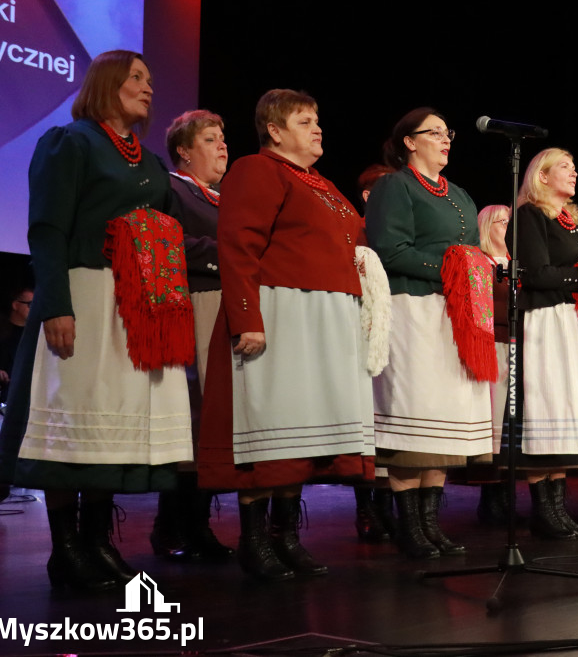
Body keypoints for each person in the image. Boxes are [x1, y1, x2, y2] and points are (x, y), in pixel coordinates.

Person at [0, 50, 193, 592]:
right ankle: (66, 549)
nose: (149, 87)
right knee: (72, 418)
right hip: (83, 292)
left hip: (132, 302)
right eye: (136, 78)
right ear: (107, 83)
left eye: (151, 78)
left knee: (107, 421)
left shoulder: (149, 163)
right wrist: (55, 304)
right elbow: (48, 230)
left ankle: (99, 542)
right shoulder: (70, 143)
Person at [197, 89, 375, 580]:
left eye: (317, 120)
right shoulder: (258, 170)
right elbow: (238, 247)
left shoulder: (321, 183)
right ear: (274, 130)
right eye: (304, 120)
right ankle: (255, 541)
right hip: (280, 312)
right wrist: (247, 317)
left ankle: (286, 536)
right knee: (268, 428)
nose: (317, 128)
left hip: (322, 320)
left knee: (301, 431)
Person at [365, 107, 492, 558]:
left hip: (451, 313)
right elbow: (389, 249)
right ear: (409, 142)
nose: (445, 139)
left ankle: (431, 523)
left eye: (447, 132)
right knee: (413, 416)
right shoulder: (393, 186)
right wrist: (451, 269)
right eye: (433, 132)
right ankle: (408, 525)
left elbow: (471, 253)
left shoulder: (458, 193)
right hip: (411, 308)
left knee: (443, 420)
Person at [510, 147, 578, 539]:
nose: (574, 173)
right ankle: (543, 509)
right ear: (541, 176)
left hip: (574, 323)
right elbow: (536, 273)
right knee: (548, 410)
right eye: (565, 167)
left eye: (575, 167)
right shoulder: (528, 216)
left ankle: (558, 506)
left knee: (566, 414)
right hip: (547, 320)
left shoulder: (571, 220)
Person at [147, 109, 233, 562]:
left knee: (218, 422)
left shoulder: (226, 198)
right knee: (194, 419)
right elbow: (170, 242)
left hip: (229, 310)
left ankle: (199, 524)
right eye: (210, 139)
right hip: (196, 304)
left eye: (223, 138)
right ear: (183, 150)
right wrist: (231, 254)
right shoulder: (173, 188)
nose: (222, 146)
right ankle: (169, 526)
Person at [351, 162, 398, 544]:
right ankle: (367, 506)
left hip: (400, 327)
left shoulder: (395, 231)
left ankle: (392, 505)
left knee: (391, 416)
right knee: (368, 418)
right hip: (363, 329)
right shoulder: (357, 228)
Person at [475, 204, 512, 526]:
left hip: (518, 348)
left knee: (513, 423)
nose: (508, 228)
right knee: (495, 423)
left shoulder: (516, 263)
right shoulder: (481, 262)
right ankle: (491, 496)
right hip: (494, 347)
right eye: (503, 222)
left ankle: (508, 493)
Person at [0, 288, 32, 391]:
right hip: (5, 393)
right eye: (30, 304)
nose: (35, 309)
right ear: (15, 305)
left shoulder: (37, 335)